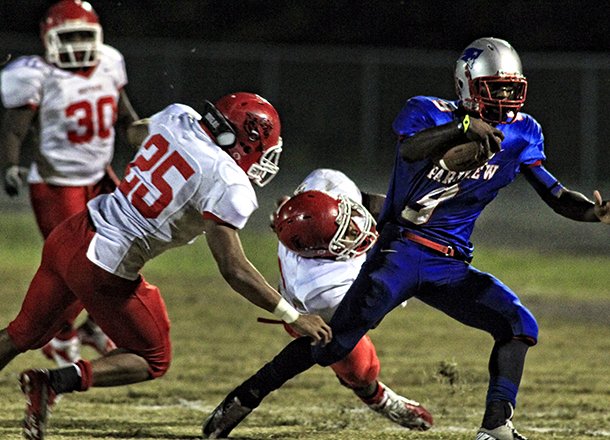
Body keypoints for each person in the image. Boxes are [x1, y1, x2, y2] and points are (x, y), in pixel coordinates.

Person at [202, 38, 610, 440]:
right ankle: (245, 396)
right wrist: (462, 128)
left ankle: (495, 428)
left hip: (450, 264)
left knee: (518, 324)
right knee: (333, 343)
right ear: (468, 86)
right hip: (400, 250)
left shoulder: (523, 133)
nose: (504, 99)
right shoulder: (426, 112)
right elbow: (413, 150)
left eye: (510, 89)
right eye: (495, 89)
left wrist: (594, 212)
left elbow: (557, 196)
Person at [0, 92, 332, 440]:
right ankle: (51, 382)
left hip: (71, 234)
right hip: (103, 265)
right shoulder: (228, 181)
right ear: (241, 140)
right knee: (152, 358)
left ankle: (46, 383)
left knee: (20, 333)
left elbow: (133, 133)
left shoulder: (178, 116)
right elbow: (233, 267)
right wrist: (293, 315)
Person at [0, 0, 139, 366]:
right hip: (57, 184)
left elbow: (126, 116)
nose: (77, 44)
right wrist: (10, 166)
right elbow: (15, 130)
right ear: (49, 39)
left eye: (83, 35)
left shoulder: (109, 62)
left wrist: (151, 143)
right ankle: (61, 337)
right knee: (79, 268)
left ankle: (93, 325)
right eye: (69, 36)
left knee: (130, 250)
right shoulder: (36, 74)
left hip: (100, 177)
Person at [253, 168, 432, 433]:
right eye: (345, 234)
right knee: (361, 369)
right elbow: (372, 314)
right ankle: (378, 397)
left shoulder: (324, 183)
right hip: (311, 317)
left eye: (347, 220)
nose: (356, 229)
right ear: (320, 251)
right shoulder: (322, 290)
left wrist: (401, 212)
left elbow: (367, 202)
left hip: (323, 277)